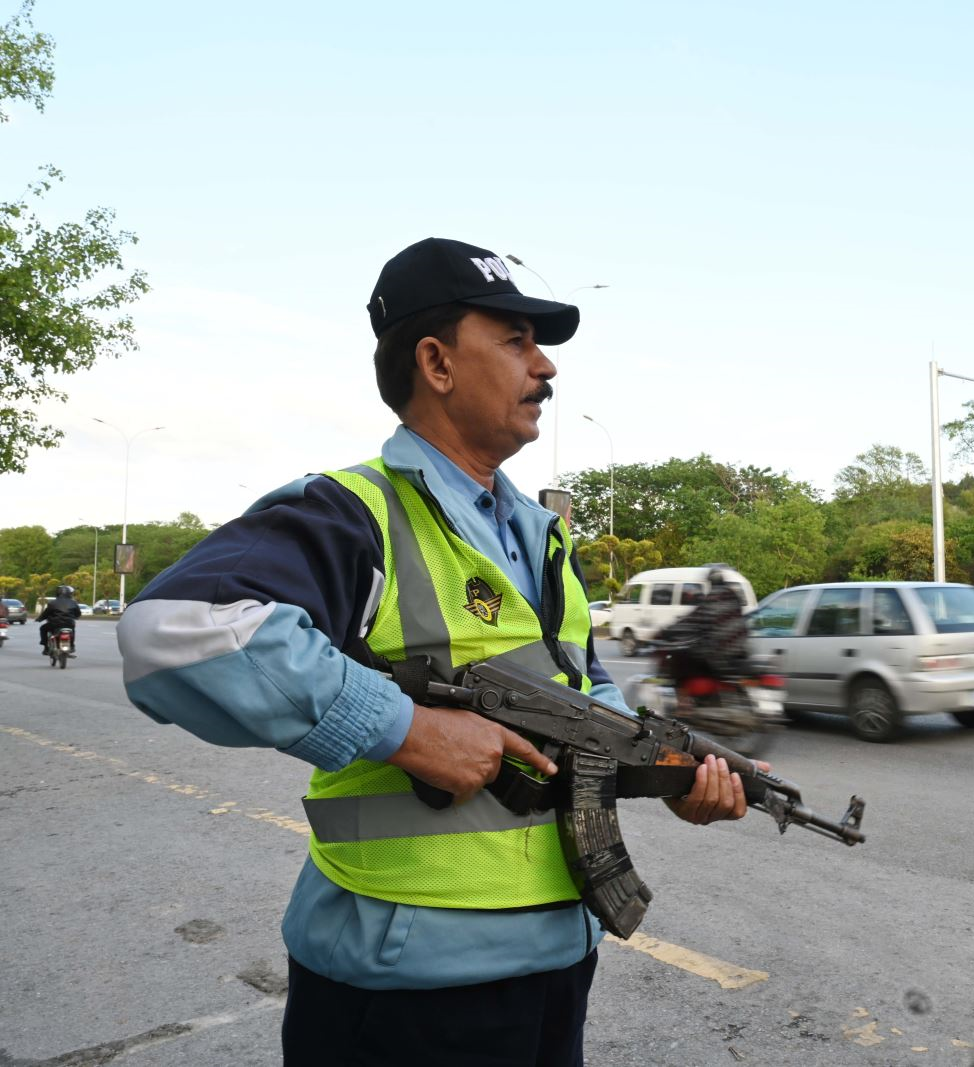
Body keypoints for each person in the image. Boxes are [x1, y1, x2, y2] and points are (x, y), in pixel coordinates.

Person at [118, 237, 755, 1067]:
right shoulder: (352, 512)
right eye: (518, 341)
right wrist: (405, 728)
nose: (547, 369)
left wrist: (667, 770)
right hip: (401, 993)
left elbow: (585, 693)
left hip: (559, 964)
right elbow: (173, 631)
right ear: (437, 362)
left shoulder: (540, 534)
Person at [37, 584, 80, 655]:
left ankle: (46, 647)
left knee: (43, 628)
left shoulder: (52, 603)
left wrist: (40, 619)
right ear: (69, 593)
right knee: (72, 630)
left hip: (54, 624)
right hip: (69, 623)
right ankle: (71, 645)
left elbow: (46, 613)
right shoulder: (73, 603)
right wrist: (75, 617)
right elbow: (78, 613)